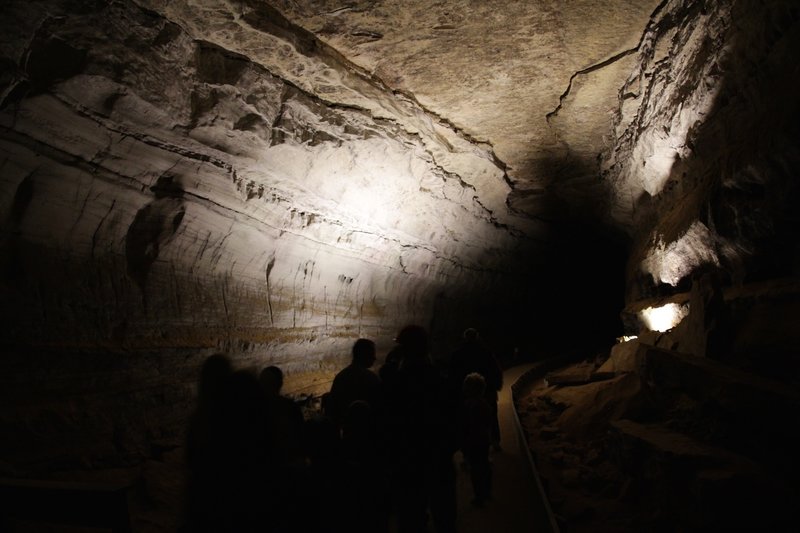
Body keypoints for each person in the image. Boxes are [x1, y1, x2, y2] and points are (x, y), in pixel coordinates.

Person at [380, 325, 458, 533]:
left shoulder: (394, 385)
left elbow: (386, 426)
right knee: (444, 518)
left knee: (411, 520)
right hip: (438, 460)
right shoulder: (441, 380)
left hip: (407, 464)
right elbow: (455, 423)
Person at [448, 328, 503, 450]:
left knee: (466, 418)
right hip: (486, 389)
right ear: (477, 337)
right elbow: (495, 370)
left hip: (466, 391)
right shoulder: (485, 352)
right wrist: (496, 386)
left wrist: (455, 391)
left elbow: (453, 374)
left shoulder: (457, 354)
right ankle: (495, 441)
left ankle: (467, 448)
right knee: (492, 415)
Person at [327, 338, 382, 428]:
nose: (374, 358)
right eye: (372, 354)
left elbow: (333, 408)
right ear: (364, 355)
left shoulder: (341, 376)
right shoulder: (371, 378)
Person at [458, 373, 493, 507]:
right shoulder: (485, 404)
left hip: (473, 441)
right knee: (484, 464)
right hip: (484, 439)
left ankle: (479, 496)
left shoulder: (468, 405)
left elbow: (466, 426)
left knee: (475, 469)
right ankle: (487, 490)